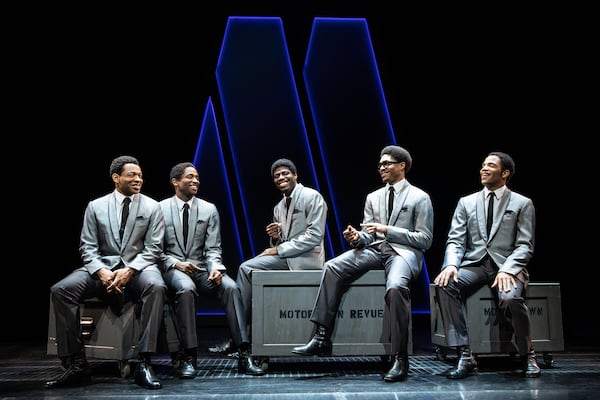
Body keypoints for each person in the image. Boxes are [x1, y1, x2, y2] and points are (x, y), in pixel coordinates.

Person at [292, 145, 434, 383]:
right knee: (332, 266)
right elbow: (369, 234)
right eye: (380, 164)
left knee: (396, 288)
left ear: (402, 166)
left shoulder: (420, 197)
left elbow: (424, 239)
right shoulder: (373, 197)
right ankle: (321, 336)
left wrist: (387, 230)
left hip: (402, 253)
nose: (381, 168)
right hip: (375, 250)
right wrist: (357, 237)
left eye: (386, 163)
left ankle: (399, 357)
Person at [46, 155, 167, 390]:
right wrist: (101, 271)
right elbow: (87, 246)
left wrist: (129, 270)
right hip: (102, 267)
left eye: (140, 175)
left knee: (157, 286)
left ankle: (144, 362)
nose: (138, 179)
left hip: (139, 268)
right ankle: (77, 364)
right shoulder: (96, 206)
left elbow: (154, 248)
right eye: (132, 174)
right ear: (116, 177)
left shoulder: (153, 206)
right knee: (60, 290)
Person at [433, 151, 541, 379]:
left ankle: (527, 353)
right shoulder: (467, 202)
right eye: (483, 165)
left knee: (510, 298)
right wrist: (451, 264)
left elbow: (525, 245)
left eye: (490, 166)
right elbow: (456, 239)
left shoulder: (522, 203)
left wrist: (508, 269)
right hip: (476, 265)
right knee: (444, 284)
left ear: (505, 173)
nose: (483, 169)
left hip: (506, 266)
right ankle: (464, 353)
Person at [159, 162, 264, 377]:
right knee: (186, 288)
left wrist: (216, 268)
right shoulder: (159, 209)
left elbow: (213, 248)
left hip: (201, 268)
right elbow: (154, 250)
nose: (196, 180)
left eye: (197, 177)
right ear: (175, 182)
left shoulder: (209, 209)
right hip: (173, 268)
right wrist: (176, 263)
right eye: (190, 177)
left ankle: (243, 352)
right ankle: (188, 355)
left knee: (231, 287)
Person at [235, 158, 328, 337]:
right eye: (276, 176)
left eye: (285, 173)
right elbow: (285, 240)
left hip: (306, 260)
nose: (280, 177)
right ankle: (245, 333)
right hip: (288, 258)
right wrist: (276, 239)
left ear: (295, 175)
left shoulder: (311, 196)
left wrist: (278, 249)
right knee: (248, 269)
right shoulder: (279, 207)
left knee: (246, 269)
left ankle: (240, 335)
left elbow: (315, 236)